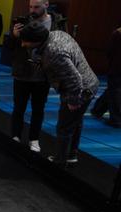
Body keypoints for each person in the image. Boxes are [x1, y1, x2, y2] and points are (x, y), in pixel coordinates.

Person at [20, 23, 99, 165]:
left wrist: (74, 101)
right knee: (75, 123)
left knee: (64, 127)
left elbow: (75, 79)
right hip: (90, 82)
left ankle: (60, 161)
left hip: (80, 90)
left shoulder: (54, 52)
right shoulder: (57, 34)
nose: (22, 44)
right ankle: (71, 155)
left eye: (25, 41)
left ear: (36, 40)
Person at [9, 0, 65, 152]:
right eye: (30, 7)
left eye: (36, 7)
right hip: (22, 72)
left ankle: (34, 139)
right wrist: (14, 36)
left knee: (38, 109)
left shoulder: (57, 23)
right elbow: (10, 48)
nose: (32, 10)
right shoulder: (23, 21)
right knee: (18, 107)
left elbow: (63, 45)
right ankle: (15, 135)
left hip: (43, 75)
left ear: (46, 4)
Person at [92, 27, 121, 127]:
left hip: (116, 67)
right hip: (117, 67)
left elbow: (109, 51)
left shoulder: (117, 33)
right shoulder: (117, 34)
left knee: (113, 91)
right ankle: (116, 118)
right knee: (114, 91)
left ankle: (98, 110)